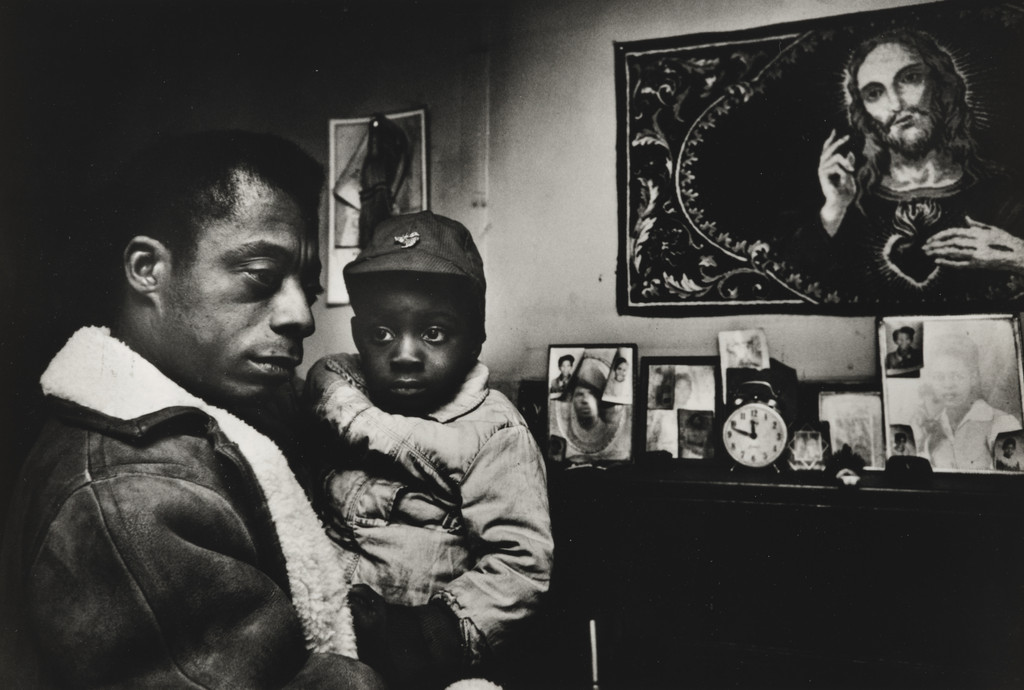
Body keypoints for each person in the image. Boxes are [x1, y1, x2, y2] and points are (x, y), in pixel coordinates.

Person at [0, 131, 384, 689]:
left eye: (307, 286)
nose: (301, 315)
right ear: (147, 269)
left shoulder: (232, 413)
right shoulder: (130, 489)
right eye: (261, 275)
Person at [304, 211, 553, 689]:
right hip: (329, 646)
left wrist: (427, 634)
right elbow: (327, 380)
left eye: (434, 333)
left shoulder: (496, 433)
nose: (404, 354)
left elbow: (520, 566)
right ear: (358, 338)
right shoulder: (344, 399)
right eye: (382, 334)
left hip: (428, 660)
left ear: (476, 338)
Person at [812, 28, 1024, 301]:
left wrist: (1017, 256)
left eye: (910, 78)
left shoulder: (1002, 193)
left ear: (941, 85)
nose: (896, 104)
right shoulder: (852, 203)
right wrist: (834, 208)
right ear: (865, 113)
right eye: (874, 93)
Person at [913, 340, 1021, 470]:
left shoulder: (1001, 423)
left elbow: (1013, 480)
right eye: (939, 377)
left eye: (957, 376)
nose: (948, 385)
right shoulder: (932, 428)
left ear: (973, 378)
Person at [550, 351, 633, 463]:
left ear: (600, 401)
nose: (585, 400)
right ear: (572, 400)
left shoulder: (607, 435)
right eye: (579, 394)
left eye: (592, 394)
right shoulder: (567, 431)